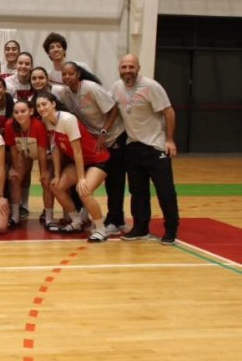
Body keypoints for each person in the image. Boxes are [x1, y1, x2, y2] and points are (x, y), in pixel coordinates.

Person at [112, 54, 180, 244]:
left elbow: (168, 111)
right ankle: (140, 228)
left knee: (165, 191)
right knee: (137, 192)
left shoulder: (151, 87)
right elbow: (114, 111)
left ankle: (171, 230)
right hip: (133, 147)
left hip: (155, 147)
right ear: (119, 69)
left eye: (131, 67)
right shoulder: (117, 87)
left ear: (138, 68)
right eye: (124, 67)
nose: (127, 71)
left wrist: (170, 140)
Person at [61, 61, 127, 237]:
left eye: (70, 74)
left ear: (78, 75)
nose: (67, 77)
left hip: (113, 135)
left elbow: (114, 110)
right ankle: (85, 214)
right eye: (64, 74)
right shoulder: (67, 94)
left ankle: (115, 220)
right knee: (89, 180)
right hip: (94, 141)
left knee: (114, 180)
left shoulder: (91, 89)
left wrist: (104, 132)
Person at [34, 92, 110, 242]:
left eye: (44, 104)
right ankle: (77, 221)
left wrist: (81, 178)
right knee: (56, 186)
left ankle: (101, 229)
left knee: (84, 191)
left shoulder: (68, 119)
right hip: (79, 162)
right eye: (38, 106)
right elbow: (55, 148)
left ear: (53, 104)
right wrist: (56, 174)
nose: (41, 108)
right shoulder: (47, 120)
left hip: (97, 160)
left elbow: (77, 150)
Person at [4, 99, 52, 228]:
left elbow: (42, 151)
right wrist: (14, 168)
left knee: (45, 180)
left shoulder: (38, 125)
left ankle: (49, 218)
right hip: (24, 153)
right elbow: (13, 148)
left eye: (23, 111)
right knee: (14, 178)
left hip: (46, 155)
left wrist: (44, 172)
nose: (19, 114)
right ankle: (15, 216)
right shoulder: (9, 125)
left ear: (31, 111)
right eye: (16, 112)